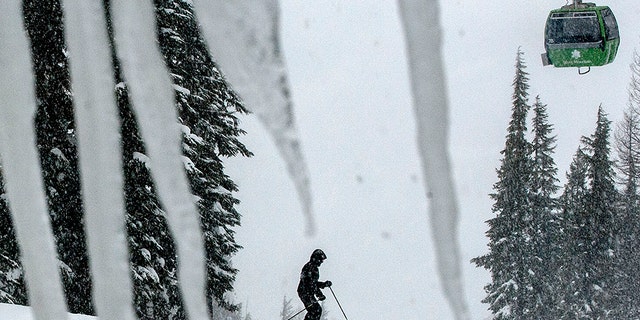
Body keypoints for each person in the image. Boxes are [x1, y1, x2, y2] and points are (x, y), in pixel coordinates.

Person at [297, 249, 332, 320]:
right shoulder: (309, 267)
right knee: (315, 310)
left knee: (315, 310)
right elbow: (310, 283)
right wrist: (319, 294)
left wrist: (324, 284)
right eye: (321, 260)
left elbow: (314, 283)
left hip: (307, 293)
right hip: (305, 292)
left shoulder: (314, 268)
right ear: (316, 258)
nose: (321, 262)